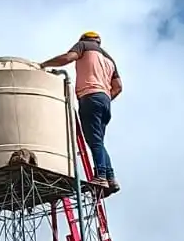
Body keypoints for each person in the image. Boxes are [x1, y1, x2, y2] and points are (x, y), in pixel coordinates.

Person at [40, 31, 123, 195]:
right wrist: (104, 97)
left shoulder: (84, 46)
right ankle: (110, 178)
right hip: (105, 101)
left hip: (90, 97)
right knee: (98, 141)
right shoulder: (109, 60)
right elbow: (118, 86)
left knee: (95, 142)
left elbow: (68, 58)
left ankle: (100, 176)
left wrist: (44, 64)